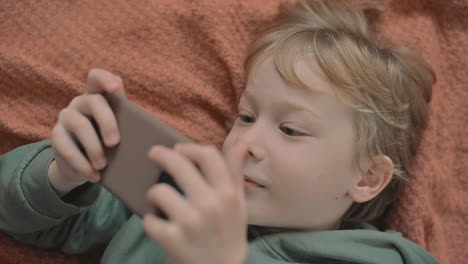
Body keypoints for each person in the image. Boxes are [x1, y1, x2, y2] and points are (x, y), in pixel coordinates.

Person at [0, 0, 439, 263]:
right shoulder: (175, 196)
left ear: (366, 178)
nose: (244, 143)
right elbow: (27, 224)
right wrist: (61, 176)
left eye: (290, 129)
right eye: (245, 117)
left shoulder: (379, 258)